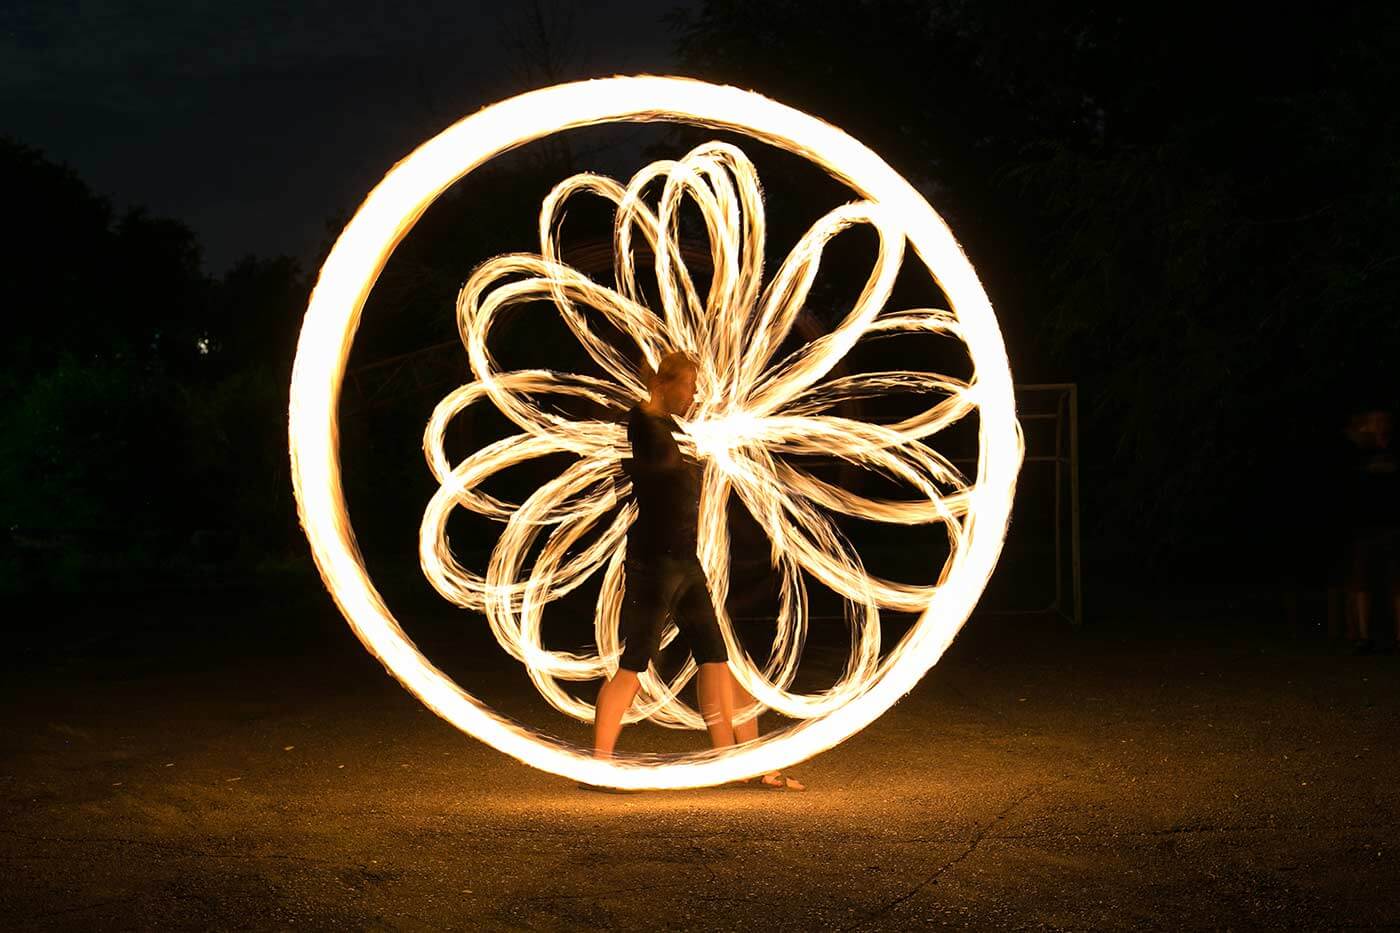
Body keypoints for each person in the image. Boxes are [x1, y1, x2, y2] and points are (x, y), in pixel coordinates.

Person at [591, 351, 804, 790]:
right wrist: (703, 451)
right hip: (655, 562)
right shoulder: (642, 424)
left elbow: (683, 471)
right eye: (688, 385)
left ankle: (744, 763)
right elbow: (659, 470)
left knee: (716, 656)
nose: (694, 394)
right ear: (664, 385)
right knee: (635, 662)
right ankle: (598, 766)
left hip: (684, 561)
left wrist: (709, 449)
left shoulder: (669, 427)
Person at [1341, 405, 1400, 653]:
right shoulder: (1357, 451)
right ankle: (1362, 636)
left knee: (1396, 581)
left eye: (1381, 420)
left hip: (1394, 525)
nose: (1378, 425)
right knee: (1361, 581)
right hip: (1364, 527)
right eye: (1373, 420)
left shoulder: (1395, 450)